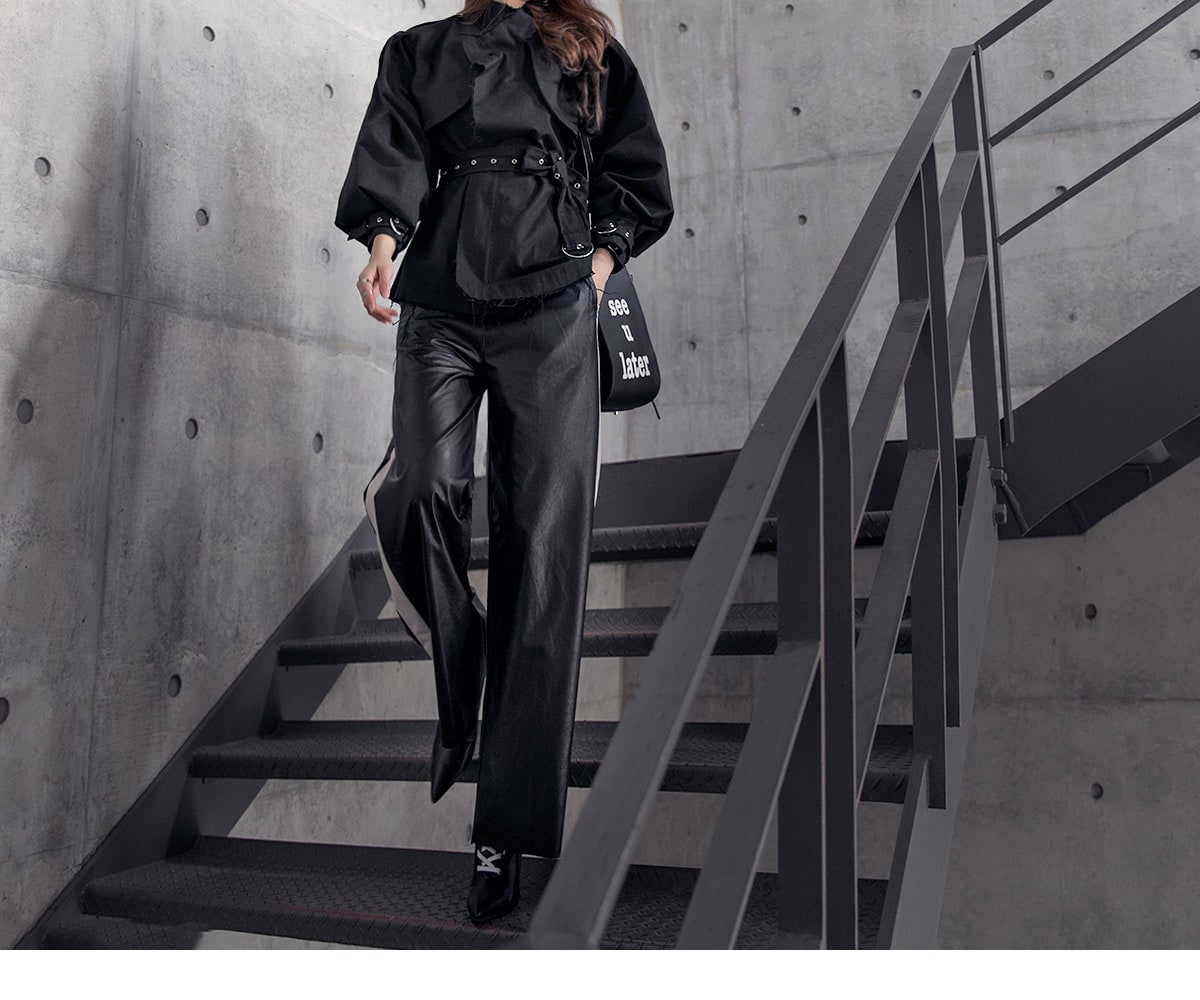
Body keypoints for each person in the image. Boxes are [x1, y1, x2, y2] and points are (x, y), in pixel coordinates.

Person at [333, 0, 672, 924]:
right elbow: (396, 148)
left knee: (542, 554)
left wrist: (599, 266)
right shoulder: (419, 49)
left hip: (553, 303)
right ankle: (464, 663)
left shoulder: (590, 48)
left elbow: (637, 174)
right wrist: (382, 245)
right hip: (440, 299)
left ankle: (502, 835)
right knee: (419, 490)